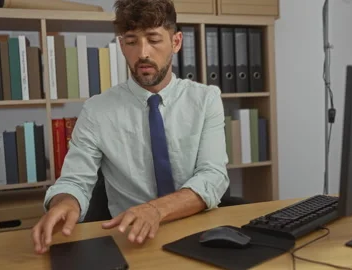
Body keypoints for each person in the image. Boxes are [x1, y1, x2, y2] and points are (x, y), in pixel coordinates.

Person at [31, 0, 229, 254]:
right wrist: (64, 202)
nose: (143, 53)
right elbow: (75, 181)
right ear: (122, 45)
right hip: (131, 238)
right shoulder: (97, 110)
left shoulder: (205, 99)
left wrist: (156, 210)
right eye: (132, 41)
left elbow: (213, 176)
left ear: (176, 42)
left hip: (198, 229)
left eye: (154, 39)